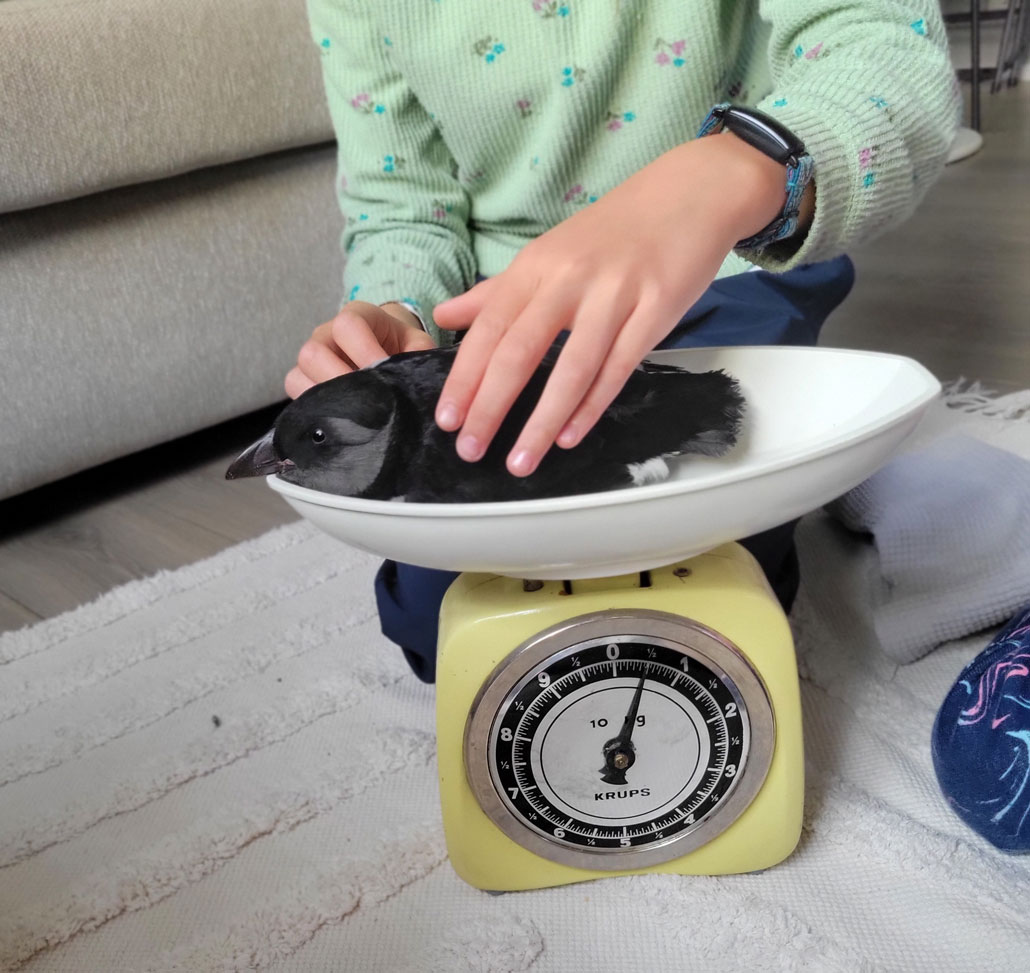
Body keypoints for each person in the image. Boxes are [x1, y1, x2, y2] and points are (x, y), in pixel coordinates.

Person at [287, 0, 960, 682]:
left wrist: (735, 172)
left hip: (732, 264)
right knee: (436, 621)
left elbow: (884, 45)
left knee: (703, 575)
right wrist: (397, 308)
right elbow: (402, 206)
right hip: (509, 311)